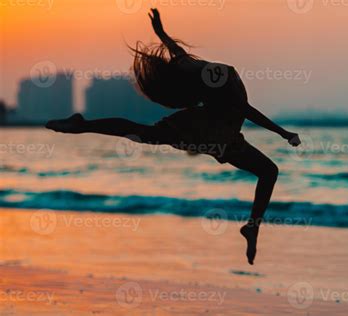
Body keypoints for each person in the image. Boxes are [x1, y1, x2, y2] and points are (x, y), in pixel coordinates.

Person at [46, 8, 301, 265]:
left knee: (145, 134)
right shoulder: (207, 78)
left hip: (213, 132)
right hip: (217, 133)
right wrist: (283, 133)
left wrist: (161, 33)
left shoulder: (185, 66)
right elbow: (246, 110)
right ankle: (253, 226)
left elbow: (177, 52)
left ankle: (82, 125)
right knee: (268, 172)